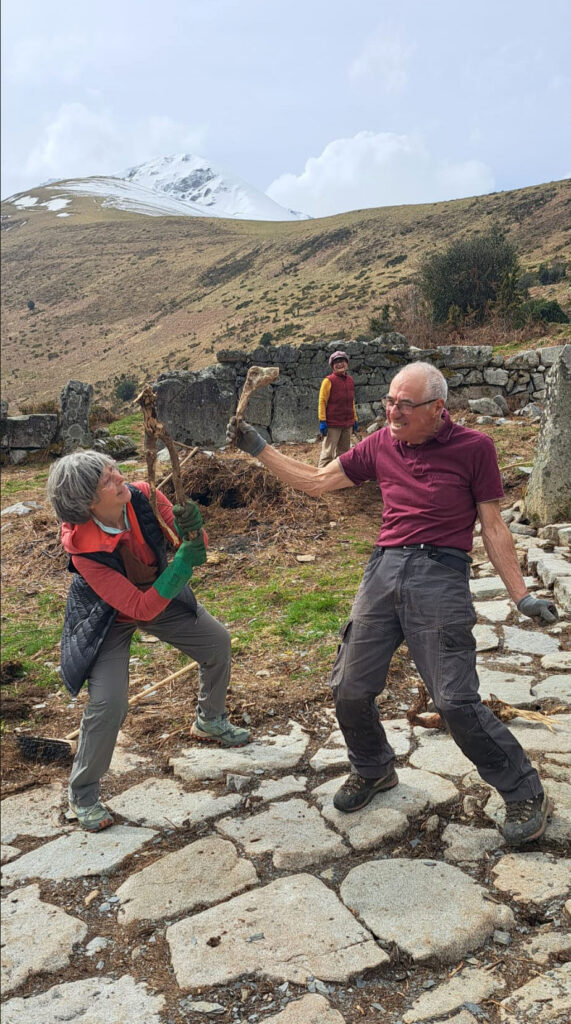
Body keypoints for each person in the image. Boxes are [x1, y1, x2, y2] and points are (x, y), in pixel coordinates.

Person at [226, 361, 558, 846]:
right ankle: (373, 767)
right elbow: (316, 481)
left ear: (438, 409)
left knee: (454, 700)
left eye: (405, 404)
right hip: (383, 568)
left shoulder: (475, 448)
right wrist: (257, 446)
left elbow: (492, 526)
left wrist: (521, 595)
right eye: (389, 401)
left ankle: (525, 790)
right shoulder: (381, 443)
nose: (392, 412)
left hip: (440, 573)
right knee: (348, 686)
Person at [46, 451, 250, 833]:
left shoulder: (144, 496)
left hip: (159, 593)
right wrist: (181, 566)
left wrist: (193, 530)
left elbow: (197, 546)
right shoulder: (82, 546)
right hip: (108, 617)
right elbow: (139, 608)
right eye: (107, 480)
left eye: (113, 469)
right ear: (88, 503)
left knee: (217, 643)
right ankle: (83, 793)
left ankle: (209, 720)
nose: (119, 478)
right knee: (109, 702)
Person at [318, 350, 359, 467]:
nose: (340, 364)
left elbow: (351, 401)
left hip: (347, 423)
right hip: (333, 424)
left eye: (342, 361)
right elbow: (322, 402)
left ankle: (339, 476)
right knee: (328, 454)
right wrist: (322, 421)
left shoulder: (350, 381)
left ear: (347, 363)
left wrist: (354, 419)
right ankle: (321, 476)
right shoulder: (328, 381)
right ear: (332, 366)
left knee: (344, 454)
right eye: (336, 362)